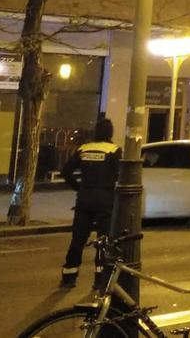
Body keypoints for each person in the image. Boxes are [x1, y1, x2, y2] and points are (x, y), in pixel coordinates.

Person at [60, 118, 120, 288]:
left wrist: (78, 187)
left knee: (78, 238)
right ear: (110, 133)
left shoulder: (84, 149)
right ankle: (100, 277)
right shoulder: (114, 150)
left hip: (84, 199)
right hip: (105, 199)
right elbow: (121, 175)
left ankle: (69, 275)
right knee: (103, 239)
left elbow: (66, 171)